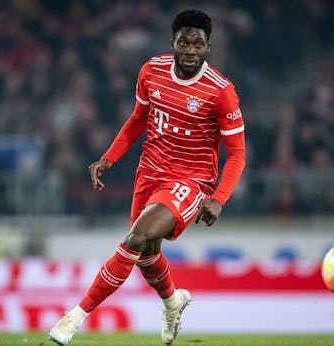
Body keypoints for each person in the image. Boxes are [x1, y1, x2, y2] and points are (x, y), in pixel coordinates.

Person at [49, 9, 246, 346]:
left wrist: (218, 198)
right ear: (172, 43)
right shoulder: (151, 71)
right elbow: (138, 119)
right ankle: (173, 303)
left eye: (197, 44)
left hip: (190, 181)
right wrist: (109, 157)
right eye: (183, 42)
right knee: (146, 252)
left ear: (207, 48)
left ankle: (74, 317)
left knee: (136, 239)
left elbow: (238, 153)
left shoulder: (221, 91)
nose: (189, 50)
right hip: (149, 174)